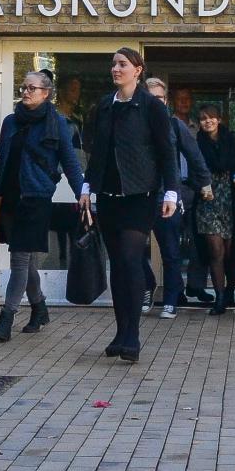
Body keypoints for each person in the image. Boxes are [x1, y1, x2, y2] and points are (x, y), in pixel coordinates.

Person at [80, 47, 177, 361]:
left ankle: (132, 336)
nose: (116, 69)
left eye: (122, 64)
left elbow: (167, 153)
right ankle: (120, 333)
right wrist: (86, 187)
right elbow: (97, 152)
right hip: (108, 197)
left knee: (130, 260)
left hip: (141, 196)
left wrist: (171, 192)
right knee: (117, 266)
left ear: (138, 70)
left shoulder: (151, 107)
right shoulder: (105, 106)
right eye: (113, 65)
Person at [0, 69, 85, 342]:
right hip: (9, 198)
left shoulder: (57, 125)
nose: (25, 92)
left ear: (46, 93)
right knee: (25, 261)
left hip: (36, 199)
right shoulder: (10, 122)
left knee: (19, 259)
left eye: (31, 88)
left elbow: (71, 164)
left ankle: (6, 320)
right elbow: (5, 158)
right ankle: (40, 307)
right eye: (23, 87)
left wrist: (83, 195)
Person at [145, 76, 212, 317]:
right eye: (150, 98)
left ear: (166, 101)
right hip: (138, 196)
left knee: (171, 251)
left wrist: (205, 183)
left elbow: (194, 156)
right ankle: (147, 285)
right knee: (132, 250)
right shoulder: (133, 125)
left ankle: (171, 298)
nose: (155, 103)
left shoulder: (175, 126)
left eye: (160, 98)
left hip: (168, 196)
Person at [192, 106, 235, 317]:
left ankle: (230, 291)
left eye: (210, 118)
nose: (207, 122)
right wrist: (200, 186)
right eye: (202, 119)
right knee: (215, 250)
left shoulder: (231, 139)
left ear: (219, 119)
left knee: (230, 252)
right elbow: (190, 170)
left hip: (231, 199)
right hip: (208, 201)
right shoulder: (197, 143)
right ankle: (219, 298)